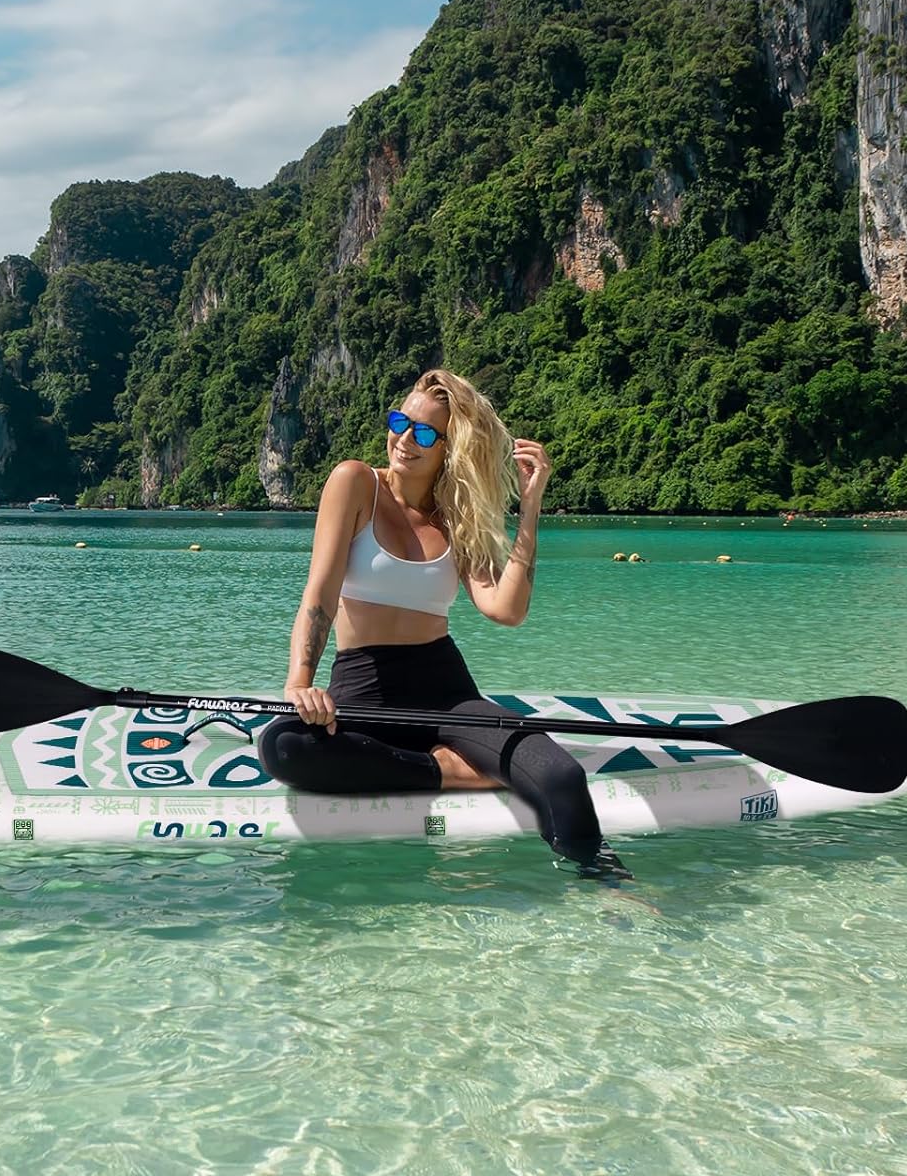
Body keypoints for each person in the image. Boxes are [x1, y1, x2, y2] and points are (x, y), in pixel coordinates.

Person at [258, 368, 630, 881]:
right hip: (363, 689)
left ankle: (605, 882)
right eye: (400, 422)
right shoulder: (355, 482)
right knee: (285, 746)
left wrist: (530, 508)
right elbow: (319, 594)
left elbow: (507, 610)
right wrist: (300, 683)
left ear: (449, 447)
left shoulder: (457, 519)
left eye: (427, 432)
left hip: (445, 690)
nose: (405, 440)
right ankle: (449, 770)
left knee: (561, 775)